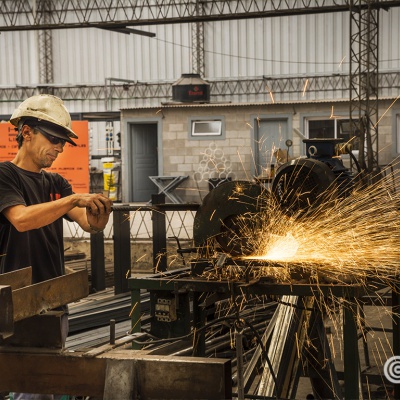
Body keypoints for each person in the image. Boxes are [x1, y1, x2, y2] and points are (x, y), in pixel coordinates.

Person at [0, 94, 113, 400]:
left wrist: (97, 213)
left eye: (63, 142)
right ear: (27, 132)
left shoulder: (56, 184)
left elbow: (87, 223)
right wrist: (75, 199)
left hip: (52, 303)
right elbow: (21, 219)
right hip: (14, 307)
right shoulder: (5, 176)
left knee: (43, 389)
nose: (60, 148)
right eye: (53, 139)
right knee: (29, 388)